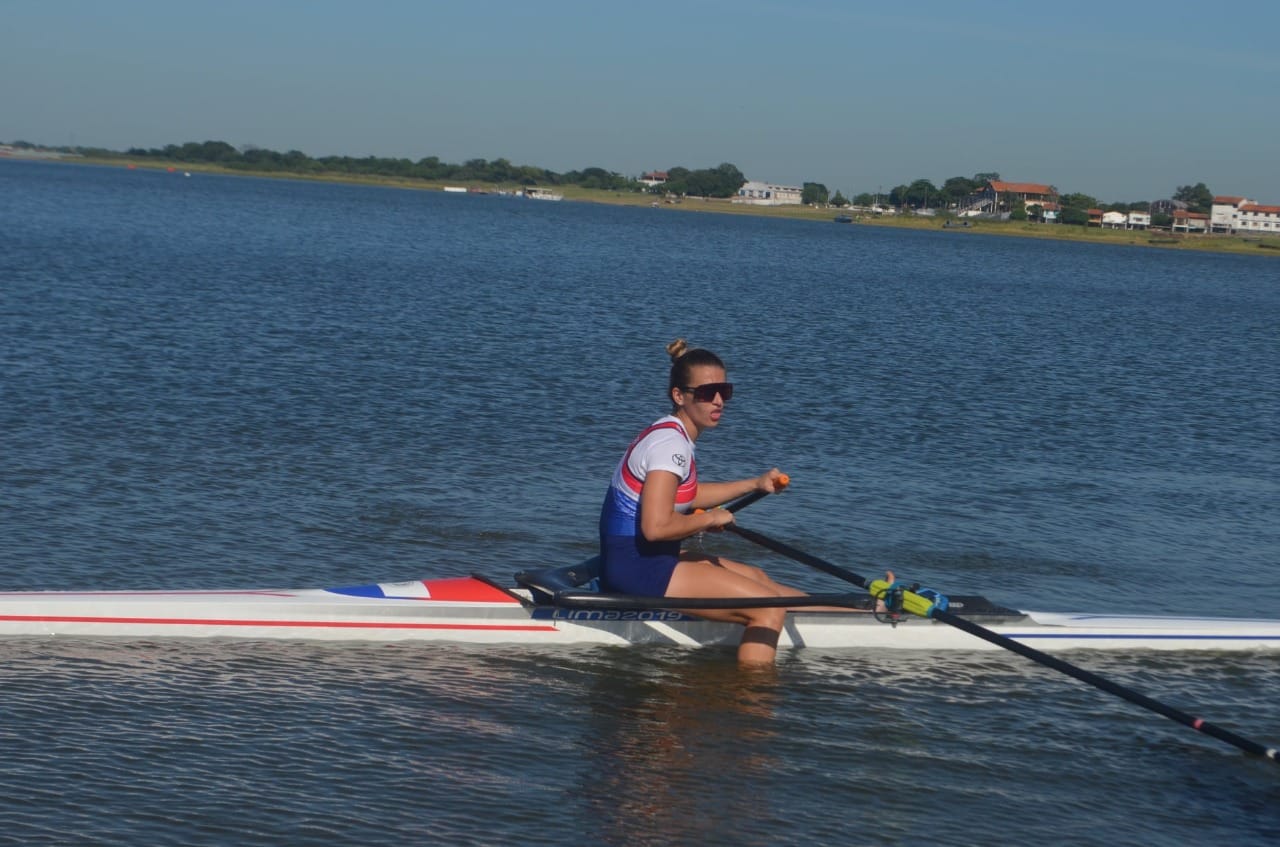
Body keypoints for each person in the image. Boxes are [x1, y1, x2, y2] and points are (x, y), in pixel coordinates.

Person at [598, 338, 835, 665]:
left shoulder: (670, 433)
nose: (719, 400)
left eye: (725, 391)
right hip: (640, 567)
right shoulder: (671, 446)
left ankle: (864, 611)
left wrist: (755, 484)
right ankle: (751, 703)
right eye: (708, 393)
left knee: (760, 579)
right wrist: (709, 519)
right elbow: (656, 527)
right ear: (679, 396)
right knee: (767, 609)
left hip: (647, 558)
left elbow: (688, 495)